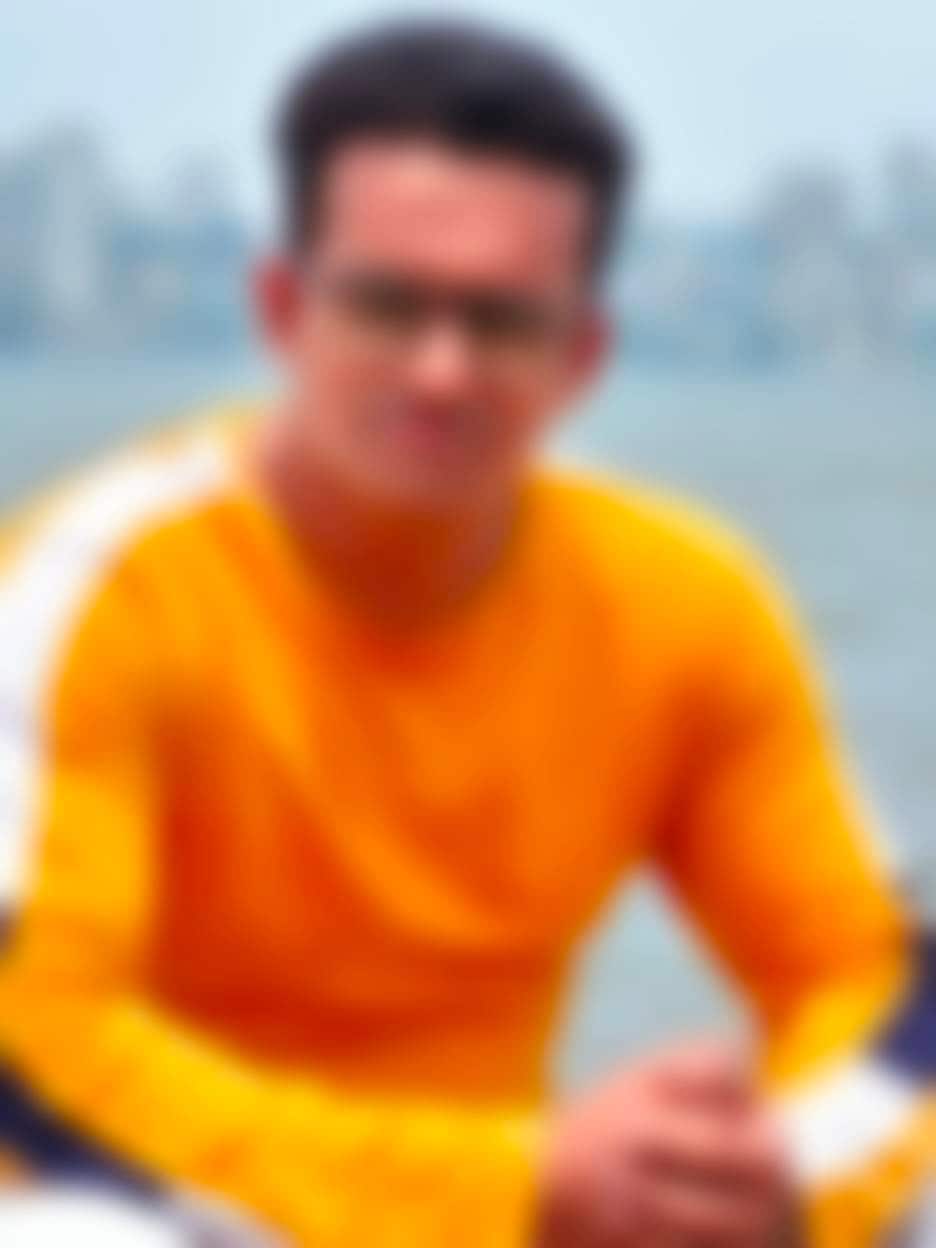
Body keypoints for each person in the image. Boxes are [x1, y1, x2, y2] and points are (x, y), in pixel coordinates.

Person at [0, 17, 932, 1248]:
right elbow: (27, 1051)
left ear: (581, 355)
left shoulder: (682, 603)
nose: (441, 371)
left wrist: (765, 1180)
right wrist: (515, 1186)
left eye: (501, 322)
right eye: (387, 306)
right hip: (171, 1213)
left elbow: (883, 989)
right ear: (282, 311)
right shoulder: (96, 587)